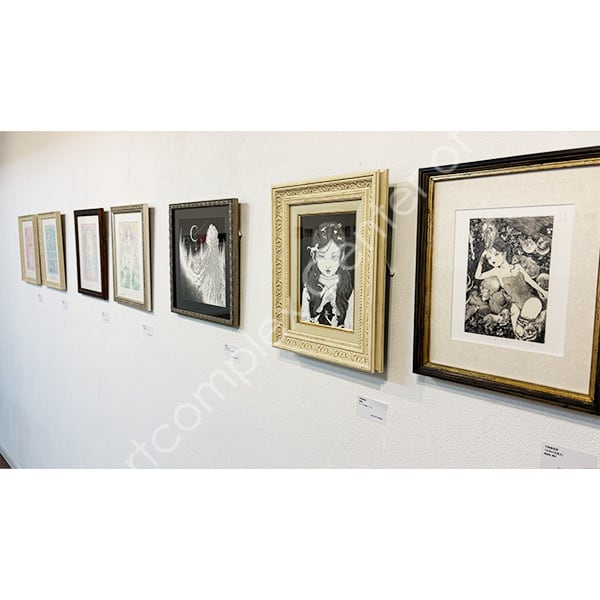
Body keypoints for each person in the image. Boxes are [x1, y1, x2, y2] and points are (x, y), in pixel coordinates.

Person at [475, 238, 548, 340]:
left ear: (504, 253)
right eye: (489, 258)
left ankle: (522, 327)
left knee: (535, 304)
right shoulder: (496, 271)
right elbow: (478, 276)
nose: (493, 260)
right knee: (518, 323)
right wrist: (482, 259)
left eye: (496, 254)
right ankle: (520, 330)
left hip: (530, 300)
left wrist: (543, 291)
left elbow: (530, 281)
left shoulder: (517, 267)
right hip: (515, 306)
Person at [301, 222, 354, 329]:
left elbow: (351, 328)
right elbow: (304, 325)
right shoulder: (308, 289)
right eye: (322, 256)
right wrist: (320, 306)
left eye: (334, 257)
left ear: (341, 256)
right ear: (314, 257)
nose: (328, 264)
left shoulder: (348, 290)